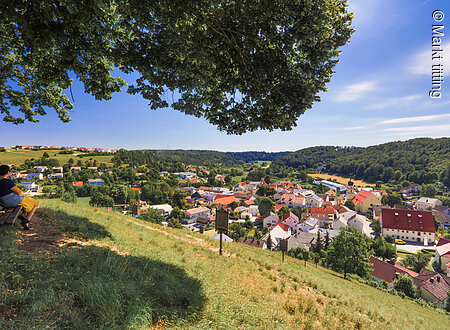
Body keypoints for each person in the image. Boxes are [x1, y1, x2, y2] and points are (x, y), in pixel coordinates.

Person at [0, 165, 38, 230]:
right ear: (8, 172)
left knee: (24, 203)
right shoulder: (8, 181)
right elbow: (18, 192)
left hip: (2, 202)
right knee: (35, 203)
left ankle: (23, 216)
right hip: (11, 201)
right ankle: (26, 221)